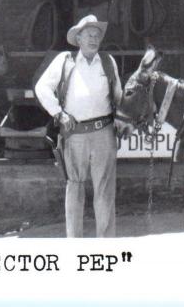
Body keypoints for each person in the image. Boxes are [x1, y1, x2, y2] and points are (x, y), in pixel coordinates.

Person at [34, 15, 122, 237]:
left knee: (105, 190)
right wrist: (58, 113)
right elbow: (42, 88)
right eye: (88, 34)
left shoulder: (108, 61)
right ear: (79, 38)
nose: (93, 38)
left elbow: (118, 96)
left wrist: (122, 119)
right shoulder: (65, 60)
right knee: (75, 187)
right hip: (75, 134)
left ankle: (107, 246)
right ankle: (75, 245)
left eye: (97, 35)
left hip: (104, 133)